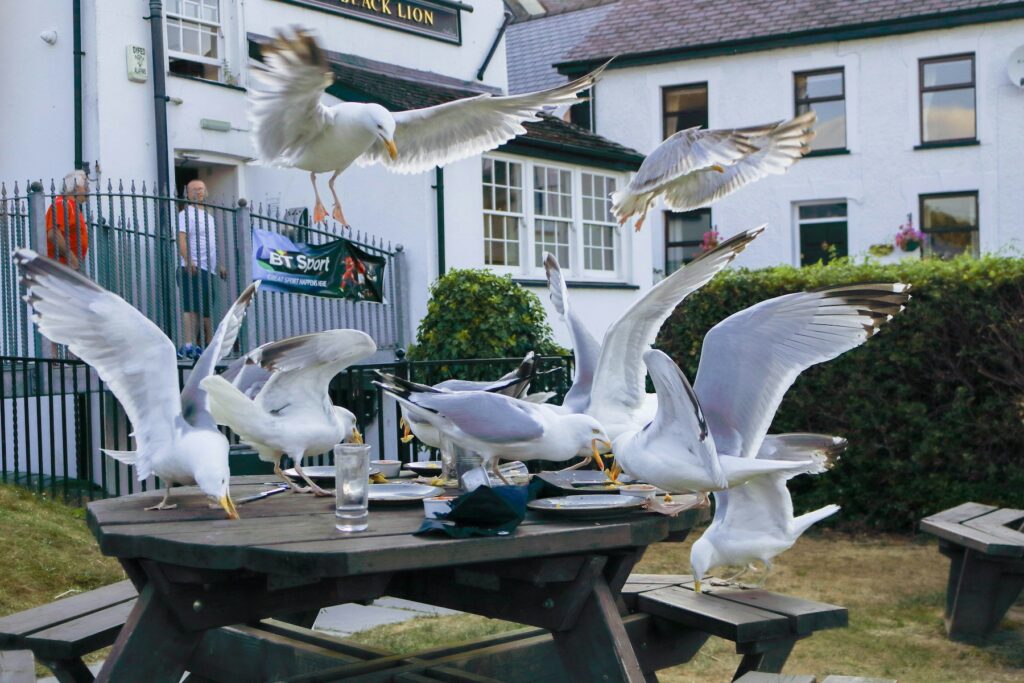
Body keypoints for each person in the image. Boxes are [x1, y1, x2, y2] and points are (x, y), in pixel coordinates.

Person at [177, 180, 227, 359]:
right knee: (191, 307)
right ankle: (189, 345)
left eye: (201, 189)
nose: (198, 192)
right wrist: (188, 259)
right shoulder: (185, 215)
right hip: (192, 266)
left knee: (205, 309)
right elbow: (181, 238)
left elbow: (211, 245)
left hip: (208, 268)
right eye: (194, 190)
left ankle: (206, 345)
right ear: (188, 194)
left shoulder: (209, 217)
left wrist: (218, 264)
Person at [45, 170, 90, 271]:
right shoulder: (62, 204)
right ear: (75, 187)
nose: (88, 189)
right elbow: (53, 233)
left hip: (64, 267)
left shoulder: (70, 205)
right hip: (59, 268)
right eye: (85, 185)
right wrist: (72, 259)